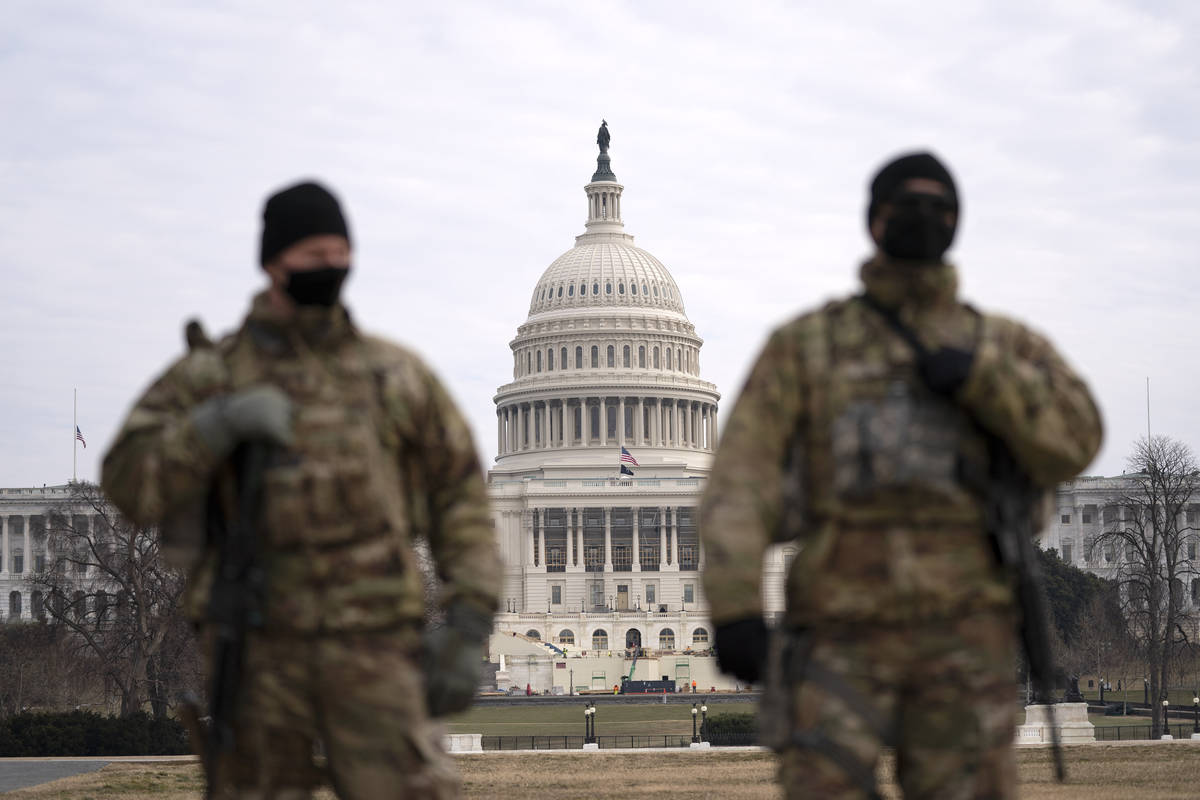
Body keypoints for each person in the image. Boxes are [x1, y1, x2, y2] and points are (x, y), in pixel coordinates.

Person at [699, 152, 1102, 798]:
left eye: (936, 207)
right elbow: (740, 486)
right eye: (905, 206)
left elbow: (1077, 439)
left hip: (965, 635)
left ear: (957, 223)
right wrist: (737, 606)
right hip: (838, 632)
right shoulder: (807, 346)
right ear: (874, 222)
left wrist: (981, 380)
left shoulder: (1001, 347)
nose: (921, 221)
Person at [102, 180, 500, 799]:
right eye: (314, 254)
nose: (331, 267)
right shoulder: (212, 376)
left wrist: (470, 622)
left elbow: (462, 503)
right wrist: (214, 426)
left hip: (376, 650)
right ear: (273, 261)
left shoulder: (394, 375)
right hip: (258, 652)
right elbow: (128, 484)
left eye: (340, 253)